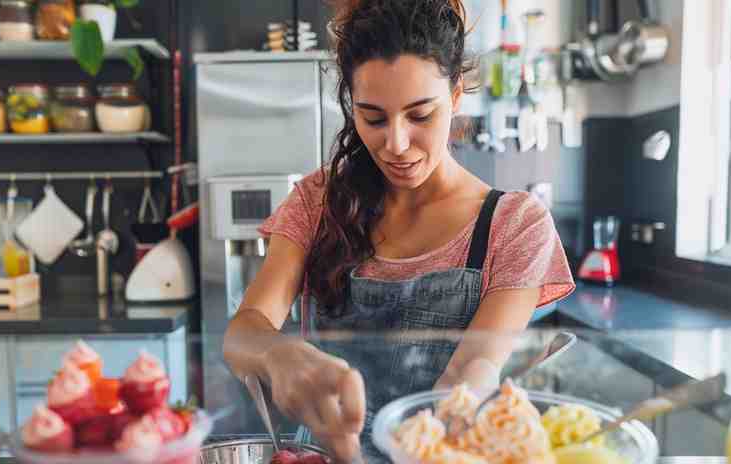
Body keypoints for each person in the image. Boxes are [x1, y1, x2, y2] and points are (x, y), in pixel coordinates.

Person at [224, 0, 575, 461]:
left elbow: (473, 370)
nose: (396, 144)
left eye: (420, 115)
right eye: (372, 118)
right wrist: (276, 354)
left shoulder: (515, 224)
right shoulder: (317, 200)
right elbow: (243, 333)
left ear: (454, 97)